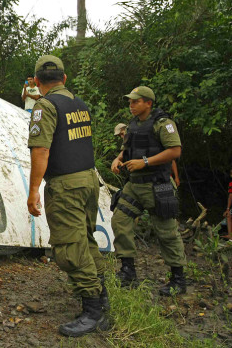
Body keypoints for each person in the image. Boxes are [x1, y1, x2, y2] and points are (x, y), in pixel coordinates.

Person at [27, 55, 109, 337]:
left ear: (37, 82)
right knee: (85, 240)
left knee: (69, 248)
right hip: (88, 179)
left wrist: (33, 190)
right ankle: (103, 299)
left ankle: (93, 312)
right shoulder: (79, 104)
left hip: (66, 185)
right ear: (64, 78)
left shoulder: (45, 106)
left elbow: (41, 150)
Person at [110, 86, 187, 296]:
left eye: (135, 102)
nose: (131, 105)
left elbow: (175, 151)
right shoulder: (133, 125)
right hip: (134, 185)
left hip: (157, 185)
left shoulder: (163, 123)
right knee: (120, 220)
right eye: (130, 102)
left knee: (167, 232)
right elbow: (127, 148)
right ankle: (128, 271)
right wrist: (119, 159)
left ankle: (178, 278)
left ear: (148, 103)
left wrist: (145, 162)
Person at [222, 169, 232, 240]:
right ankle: (230, 235)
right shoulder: (231, 183)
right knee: (228, 216)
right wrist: (227, 209)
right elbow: (230, 196)